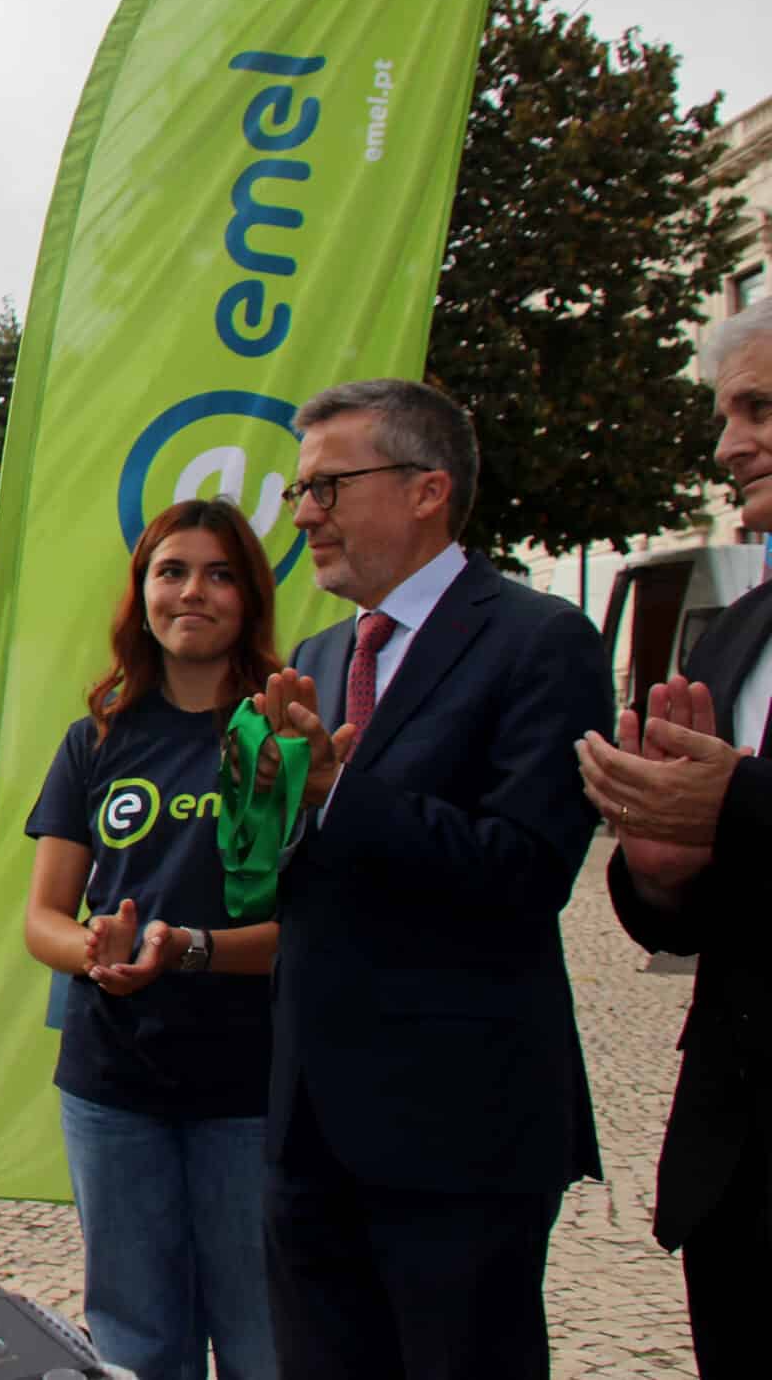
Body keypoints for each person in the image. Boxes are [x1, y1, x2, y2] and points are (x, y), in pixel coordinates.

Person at [256, 377, 608, 1379]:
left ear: (427, 489)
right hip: (309, 1127)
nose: (306, 514)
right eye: (300, 491)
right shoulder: (320, 654)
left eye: (328, 486)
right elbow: (301, 864)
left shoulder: (541, 641)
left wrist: (337, 792)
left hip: (458, 1135)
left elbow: (524, 868)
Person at [22, 497, 284, 1380]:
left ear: (250, 597)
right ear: (142, 593)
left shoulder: (281, 740)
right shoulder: (96, 738)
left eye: (219, 574)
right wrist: (94, 951)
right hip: (114, 1080)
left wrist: (191, 949)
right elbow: (43, 917)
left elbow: (309, 928)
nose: (192, 592)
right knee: (135, 1341)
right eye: (172, 571)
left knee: (262, 1337)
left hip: (251, 1081)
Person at [574, 300, 772, 1378]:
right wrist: (659, 874)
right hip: (736, 1172)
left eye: (759, 409)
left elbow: (742, 804)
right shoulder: (739, 626)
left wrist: (734, 805)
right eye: (725, 414)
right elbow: (704, 889)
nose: (727, 445)